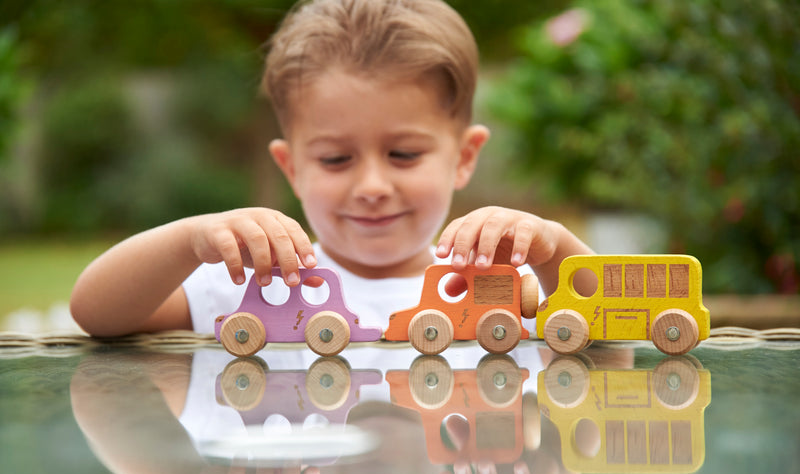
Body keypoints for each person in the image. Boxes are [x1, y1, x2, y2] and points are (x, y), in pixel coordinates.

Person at [70, 0, 595, 339]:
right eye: (335, 159)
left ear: (463, 158)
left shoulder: (507, 278)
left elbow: (612, 326)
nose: (371, 187)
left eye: (404, 154)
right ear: (291, 167)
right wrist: (191, 239)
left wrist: (554, 247)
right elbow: (96, 313)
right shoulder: (258, 281)